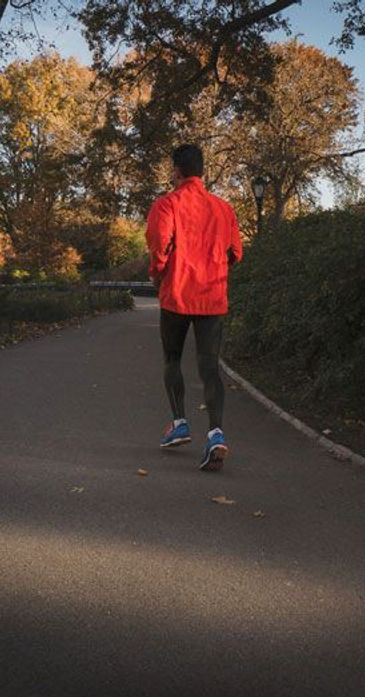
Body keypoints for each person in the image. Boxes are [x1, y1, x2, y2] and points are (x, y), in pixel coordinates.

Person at [145, 143, 243, 471]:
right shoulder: (224, 209)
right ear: (202, 170)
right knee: (210, 366)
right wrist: (214, 266)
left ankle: (180, 423)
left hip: (177, 294)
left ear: (177, 170)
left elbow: (159, 247)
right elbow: (235, 252)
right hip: (212, 298)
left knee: (172, 358)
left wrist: (159, 276)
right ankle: (216, 434)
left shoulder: (167, 204)